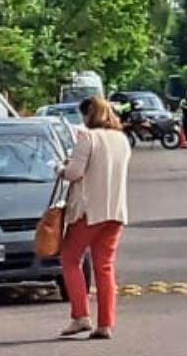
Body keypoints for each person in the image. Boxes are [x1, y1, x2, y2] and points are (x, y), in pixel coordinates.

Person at [56, 95, 133, 340]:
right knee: (105, 267)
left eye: (84, 115)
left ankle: (80, 316)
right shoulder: (122, 140)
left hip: (88, 212)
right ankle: (105, 324)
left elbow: (74, 173)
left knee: (70, 260)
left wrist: (60, 168)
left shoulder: (86, 137)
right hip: (115, 212)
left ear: (90, 114)